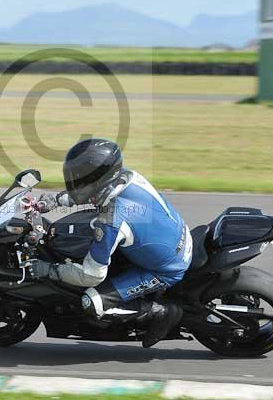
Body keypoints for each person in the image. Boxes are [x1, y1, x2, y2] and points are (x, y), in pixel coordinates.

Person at [21, 138, 192, 348]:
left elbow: (91, 275)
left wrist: (48, 270)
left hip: (165, 269)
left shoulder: (111, 221)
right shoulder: (128, 177)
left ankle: (161, 312)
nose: (75, 183)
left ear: (98, 178)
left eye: (79, 179)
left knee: (91, 303)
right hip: (174, 235)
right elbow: (89, 194)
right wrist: (53, 201)